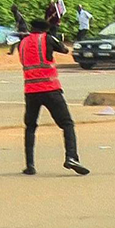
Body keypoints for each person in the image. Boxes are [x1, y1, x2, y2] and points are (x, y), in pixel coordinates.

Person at [19, 19, 90, 176]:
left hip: (30, 91)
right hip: (50, 89)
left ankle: (30, 165)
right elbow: (64, 50)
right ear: (46, 30)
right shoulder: (48, 39)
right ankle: (71, 157)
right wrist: (52, 37)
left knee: (30, 127)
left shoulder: (22, 43)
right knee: (67, 124)